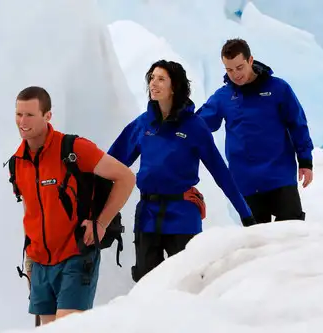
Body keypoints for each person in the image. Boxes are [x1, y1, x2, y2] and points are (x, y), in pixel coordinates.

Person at [107, 60, 255, 283]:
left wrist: (246, 214)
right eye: (151, 78)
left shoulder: (194, 127)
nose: (153, 84)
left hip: (182, 215)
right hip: (147, 215)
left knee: (185, 284)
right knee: (146, 285)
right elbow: (112, 163)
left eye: (160, 79)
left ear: (174, 86)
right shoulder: (143, 124)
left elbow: (220, 172)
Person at [9, 86, 136, 325]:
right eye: (18, 114)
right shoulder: (17, 162)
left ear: (47, 116)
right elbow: (31, 211)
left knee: (68, 329)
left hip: (76, 255)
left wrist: (101, 223)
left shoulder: (73, 149)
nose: (22, 122)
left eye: (30, 115)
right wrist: (30, 260)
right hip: (39, 264)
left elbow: (126, 178)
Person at [196, 38, 314, 225]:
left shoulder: (278, 89)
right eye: (229, 70)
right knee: (257, 245)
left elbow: (297, 124)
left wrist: (306, 161)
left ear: (250, 60)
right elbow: (198, 125)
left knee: (292, 237)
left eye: (239, 67)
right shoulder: (223, 96)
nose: (235, 74)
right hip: (246, 182)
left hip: (280, 176)